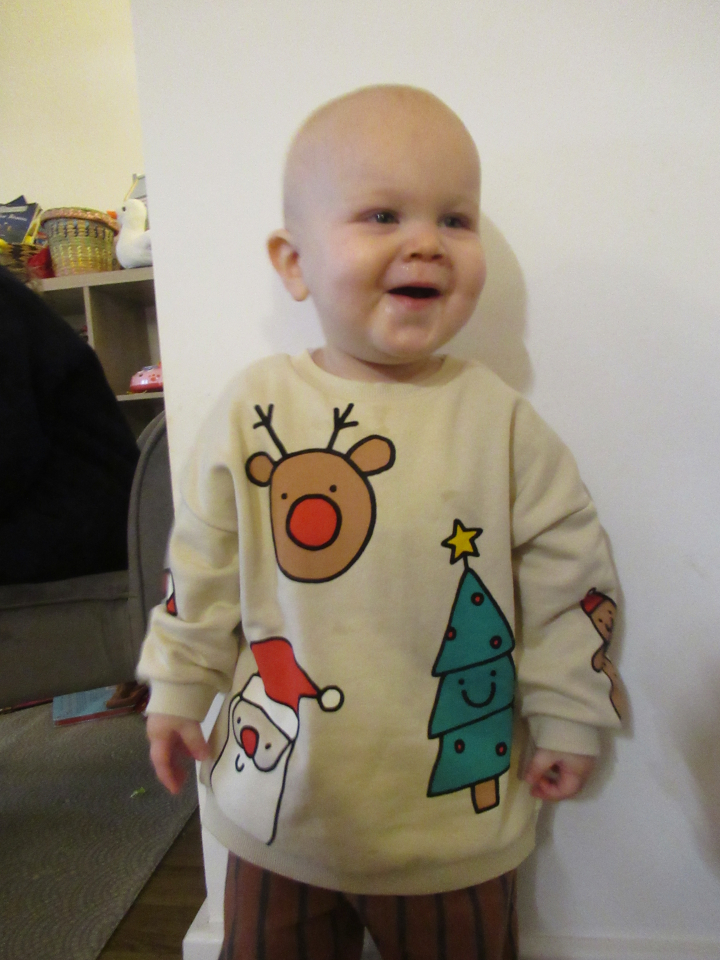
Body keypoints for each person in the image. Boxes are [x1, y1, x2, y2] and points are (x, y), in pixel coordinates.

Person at [137, 85, 626, 960]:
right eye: (382, 215)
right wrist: (176, 689)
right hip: (278, 807)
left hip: (449, 831)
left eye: (455, 219)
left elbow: (572, 577)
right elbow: (201, 562)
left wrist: (568, 711)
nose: (426, 242)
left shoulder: (500, 423)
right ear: (294, 263)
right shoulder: (255, 409)